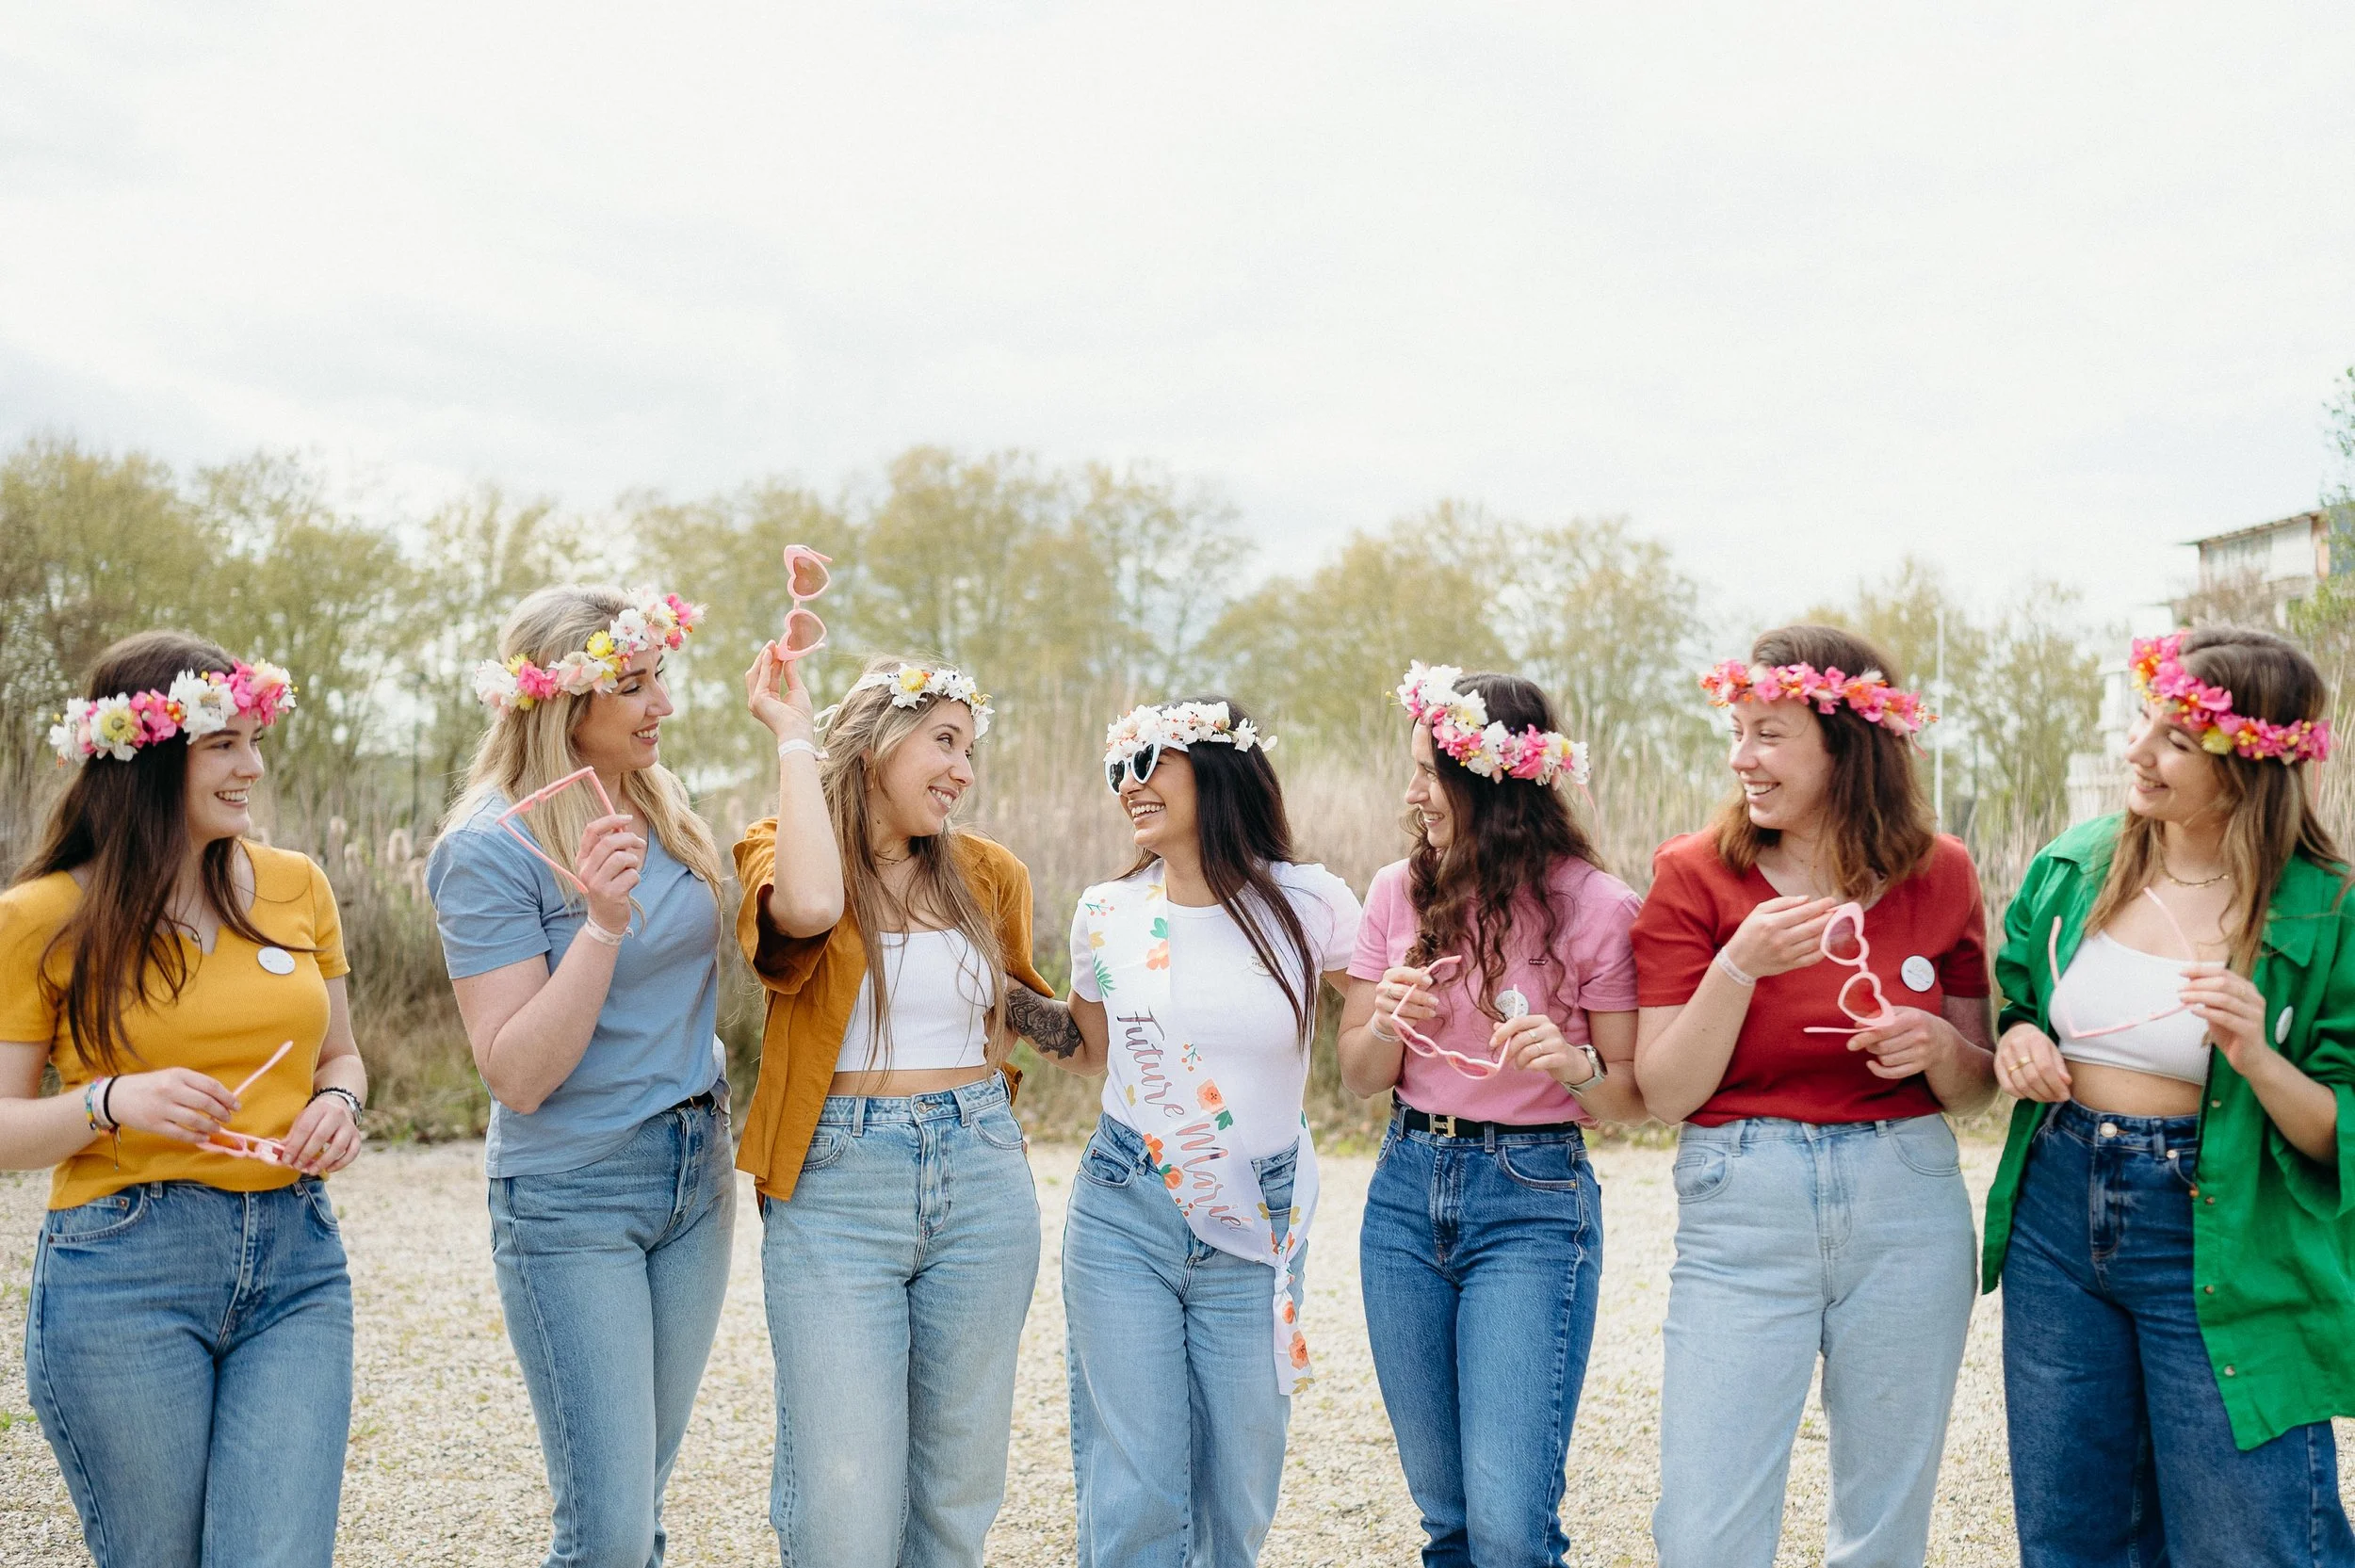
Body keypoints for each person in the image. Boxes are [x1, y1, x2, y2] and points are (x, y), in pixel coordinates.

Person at [1985, 626, 2355, 1566]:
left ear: (2251, 764)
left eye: (2176, 740)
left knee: (2247, 1533)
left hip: (2219, 1223)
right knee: (2074, 1529)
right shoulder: (2076, 864)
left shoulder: (2327, 908)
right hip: (2056, 1216)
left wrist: (2257, 1056)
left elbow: (2337, 1132)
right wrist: (2019, 1039)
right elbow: (2019, 1000)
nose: (2137, 751)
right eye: (2145, 721)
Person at [1630, 625, 1996, 1568]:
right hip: (1742, 1204)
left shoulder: (1943, 872)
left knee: (1883, 1527)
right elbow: (1664, 1090)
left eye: (1769, 734)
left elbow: (1974, 1084)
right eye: (1737, 732)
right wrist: (1737, 965)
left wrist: (1937, 1045)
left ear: (1849, 745)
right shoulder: (1693, 873)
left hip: (1908, 1202)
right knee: (1705, 1534)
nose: (1740, 758)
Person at [0, 632, 365, 1568]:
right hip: (123, 1274)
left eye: (255, 741)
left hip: (297, 1264)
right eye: (224, 745)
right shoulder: (39, 917)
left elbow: (342, 1057)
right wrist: (110, 1101)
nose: (253, 768)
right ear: (149, 757)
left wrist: (340, 1106)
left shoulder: (297, 885)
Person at [1009, 697, 1360, 1568]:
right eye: (1119, 768)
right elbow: (1089, 1050)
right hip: (1125, 1205)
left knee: (1239, 1486)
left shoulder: (1310, 900)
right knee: (1137, 1487)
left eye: (1150, 762)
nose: (1129, 784)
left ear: (1219, 767)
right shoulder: (1108, 909)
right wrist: (995, 989)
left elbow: (1375, 1022)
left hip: (1255, 1212)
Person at [426, 585, 734, 1568]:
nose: (662, 705)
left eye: (659, 678)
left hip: (698, 1168)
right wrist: (600, 925)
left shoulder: (654, 797)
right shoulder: (489, 846)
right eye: (634, 686)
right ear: (563, 702)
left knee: (639, 1499)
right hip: (575, 1192)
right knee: (605, 1530)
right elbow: (517, 1075)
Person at [732, 650, 1050, 1568]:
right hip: (836, 1187)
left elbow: (1032, 1014)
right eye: (944, 741)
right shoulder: (779, 847)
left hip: (980, 1172)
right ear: (875, 743)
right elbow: (808, 908)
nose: (963, 769)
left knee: (954, 1496)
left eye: (970, 749)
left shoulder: (988, 873)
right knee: (842, 1508)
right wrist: (796, 740)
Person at [1335, 664, 1646, 1567]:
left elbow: (1629, 1100)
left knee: (1510, 1528)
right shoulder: (1397, 890)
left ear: (1491, 782)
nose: (1412, 793)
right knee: (1449, 1518)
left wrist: (1575, 1064)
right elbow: (1360, 1076)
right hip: (1404, 1192)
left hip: (1533, 1199)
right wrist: (1384, 1021)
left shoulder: (1597, 906)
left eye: (1430, 773)